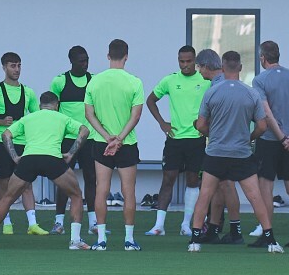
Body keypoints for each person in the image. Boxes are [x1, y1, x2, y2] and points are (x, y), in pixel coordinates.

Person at [187, 50, 282, 253]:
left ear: (222, 67)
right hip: (241, 153)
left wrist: (212, 135)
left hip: (216, 152)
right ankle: (271, 240)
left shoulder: (211, 92)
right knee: (255, 196)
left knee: (205, 195)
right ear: (240, 67)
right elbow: (263, 126)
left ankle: (194, 241)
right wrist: (249, 138)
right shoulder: (251, 93)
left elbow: (201, 124)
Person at [0, 92, 92, 250]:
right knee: (75, 195)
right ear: (57, 105)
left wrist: (15, 157)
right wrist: (71, 153)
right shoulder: (62, 117)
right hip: (52, 159)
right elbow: (85, 130)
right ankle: (75, 241)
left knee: (7, 197)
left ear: (40, 106)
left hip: (29, 159)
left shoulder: (29, 118)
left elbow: (5, 135)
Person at [84, 38, 145, 251]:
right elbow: (135, 116)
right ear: (126, 56)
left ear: (108, 56)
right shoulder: (135, 82)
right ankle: (129, 240)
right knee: (129, 191)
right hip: (126, 143)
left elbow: (89, 114)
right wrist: (119, 138)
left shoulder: (94, 81)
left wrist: (108, 137)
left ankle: (101, 240)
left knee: (101, 190)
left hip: (102, 143)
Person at [250, 40, 289, 247]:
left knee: (266, 185)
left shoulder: (260, 80)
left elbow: (266, 112)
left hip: (270, 140)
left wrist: (282, 138)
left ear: (262, 58)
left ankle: (268, 235)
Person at [144, 45, 209, 236]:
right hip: (175, 139)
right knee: (168, 179)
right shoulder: (170, 80)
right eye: (182, 61)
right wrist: (162, 123)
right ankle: (158, 226)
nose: (185, 65)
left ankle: (186, 225)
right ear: (178, 60)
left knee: (192, 181)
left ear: (195, 62)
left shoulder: (205, 81)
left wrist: (207, 128)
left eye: (189, 61)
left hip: (196, 139)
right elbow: (150, 100)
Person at [0, 52, 44, 235]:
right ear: (4, 67)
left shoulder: (28, 92)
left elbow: (37, 116)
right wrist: (0, 122)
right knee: (4, 183)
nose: (16, 69)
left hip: (23, 144)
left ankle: (32, 224)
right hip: (1, 143)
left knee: (26, 183)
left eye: (19, 65)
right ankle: (6, 222)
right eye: (13, 66)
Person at [50, 46, 96, 235]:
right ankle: (59, 222)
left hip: (90, 139)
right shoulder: (59, 81)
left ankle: (93, 222)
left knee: (91, 180)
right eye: (80, 61)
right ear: (71, 61)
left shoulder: (94, 81)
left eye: (86, 60)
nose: (84, 64)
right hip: (67, 140)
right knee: (63, 181)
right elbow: (52, 111)